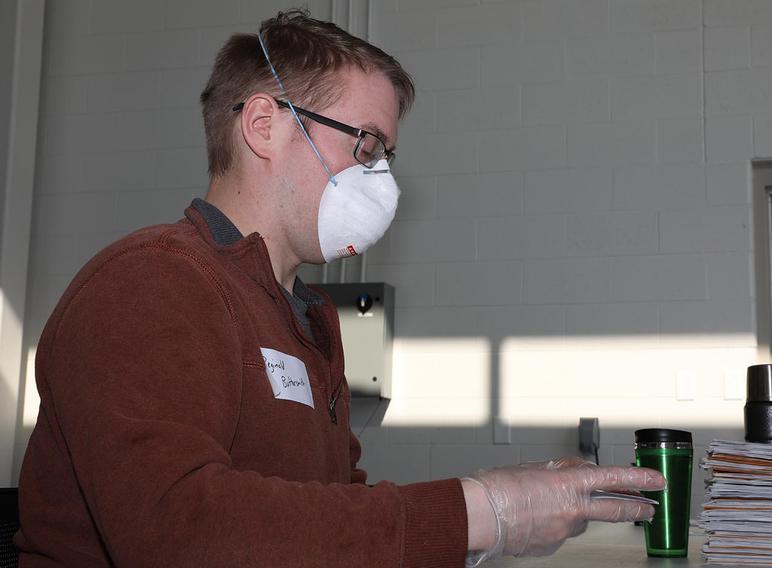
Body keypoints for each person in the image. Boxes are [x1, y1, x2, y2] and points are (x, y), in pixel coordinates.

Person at [15, 9, 665, 567]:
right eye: (365, 146)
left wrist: (502, 513)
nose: (381, 179)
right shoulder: (151, 282)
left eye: (387, 156)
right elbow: (179, 531)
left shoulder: (309, 318)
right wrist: (484, 510)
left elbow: (334, 518)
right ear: (264, 126)